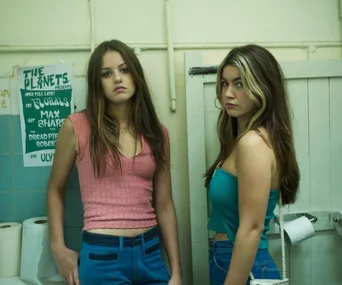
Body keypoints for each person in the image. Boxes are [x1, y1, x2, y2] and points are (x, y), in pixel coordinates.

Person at [46, 39, 182, 285]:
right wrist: (58, 247)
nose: (117, 78)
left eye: (124, 69)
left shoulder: (157, 133)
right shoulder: (77, 127)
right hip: (102, 256)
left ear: (135, 75)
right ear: (97, 83)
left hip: (151, 252)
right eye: (106, 74)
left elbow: (164, 204)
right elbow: (55, 189)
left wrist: (177, 272)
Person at [204, 44, 300, 285]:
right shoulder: (246, 139)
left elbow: (252, 228)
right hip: (235, 260)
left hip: (244, 265)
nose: (228, 93)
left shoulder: (253, 143)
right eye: (225, 84)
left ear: (263, 87)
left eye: (240, 84)